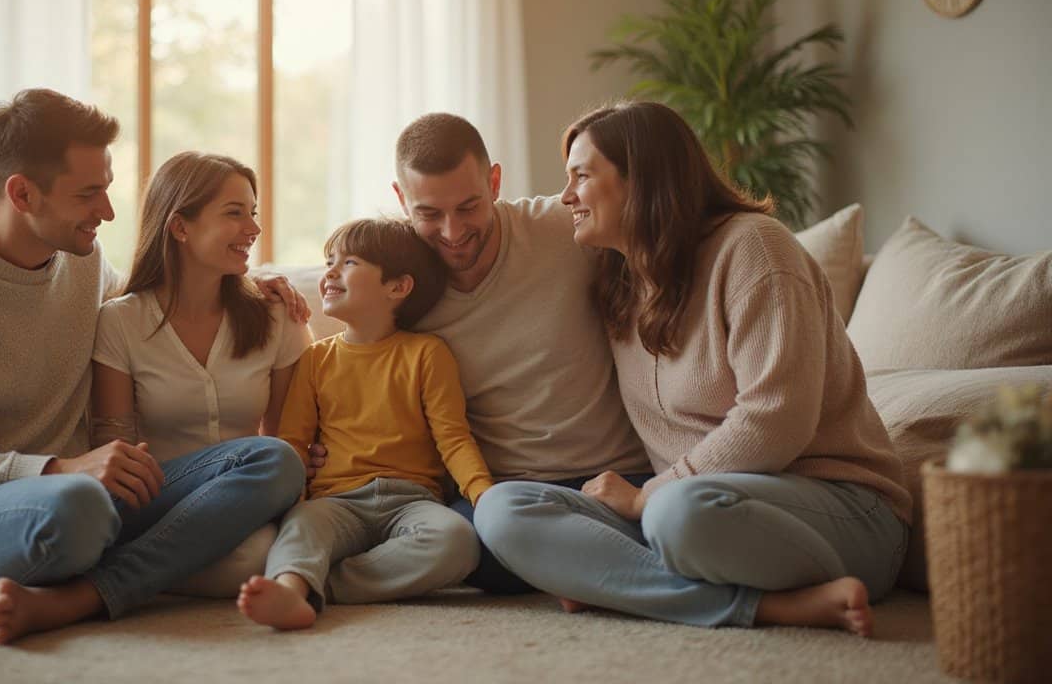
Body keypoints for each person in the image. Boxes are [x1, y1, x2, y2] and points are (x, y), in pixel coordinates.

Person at [0, 89, 307, 645]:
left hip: (89, 501)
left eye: (107, 188)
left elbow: (157, 304)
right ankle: (115, 573)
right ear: (22, 193)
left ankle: (85, 597)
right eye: (89, 194)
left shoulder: (82, 259)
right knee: (78, 508)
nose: (108, 212)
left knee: (273, 460)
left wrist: (249, 284)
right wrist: (61, 468)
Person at [474, 101, 911, 636]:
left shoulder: (754, 248)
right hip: (696, 513)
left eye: (581, 177)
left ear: (643, 180)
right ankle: (770, 606)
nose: (566, 197)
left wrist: (646, 496)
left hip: (842, 512)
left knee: (676, 514)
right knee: (501, 509)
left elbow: (778, 420)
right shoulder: (621, 278)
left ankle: (622, 583)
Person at [356, 112, 649, 594]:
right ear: (400, 199)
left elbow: (665, 241)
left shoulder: (565, 228)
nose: (452, 232)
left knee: (672, 520)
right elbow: (344, 336)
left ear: (494, 181)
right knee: (463, 546)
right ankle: (590, 566)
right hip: (503, 496)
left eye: (469, 206)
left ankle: (576, 568)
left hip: (615, 476)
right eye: (429, 213)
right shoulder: (399, 282)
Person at [237, 218, 493, 630]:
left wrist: (484, 495)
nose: (330, 273)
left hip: (412, 501)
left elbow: (453, 438)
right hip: (336, 501)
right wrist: (294, 504)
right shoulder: (315, 360)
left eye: (349, 262)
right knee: (302, 527)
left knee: (457, 541)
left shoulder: (427, 353)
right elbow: (293, 443)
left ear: (397, 287)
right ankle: (291, 587)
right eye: (328, 262)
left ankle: (321, 585)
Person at [89, 151, 313, 597]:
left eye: (253, 213)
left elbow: (290, 441)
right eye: (235, 214)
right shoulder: (120, 321)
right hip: (153, 495)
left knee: (255, 549)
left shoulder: (278, 317)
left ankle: (105, 587)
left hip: (247, 501)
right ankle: (152, 568)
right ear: (180, 227)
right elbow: (114, 453)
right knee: (252, 546)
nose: (254, 229)